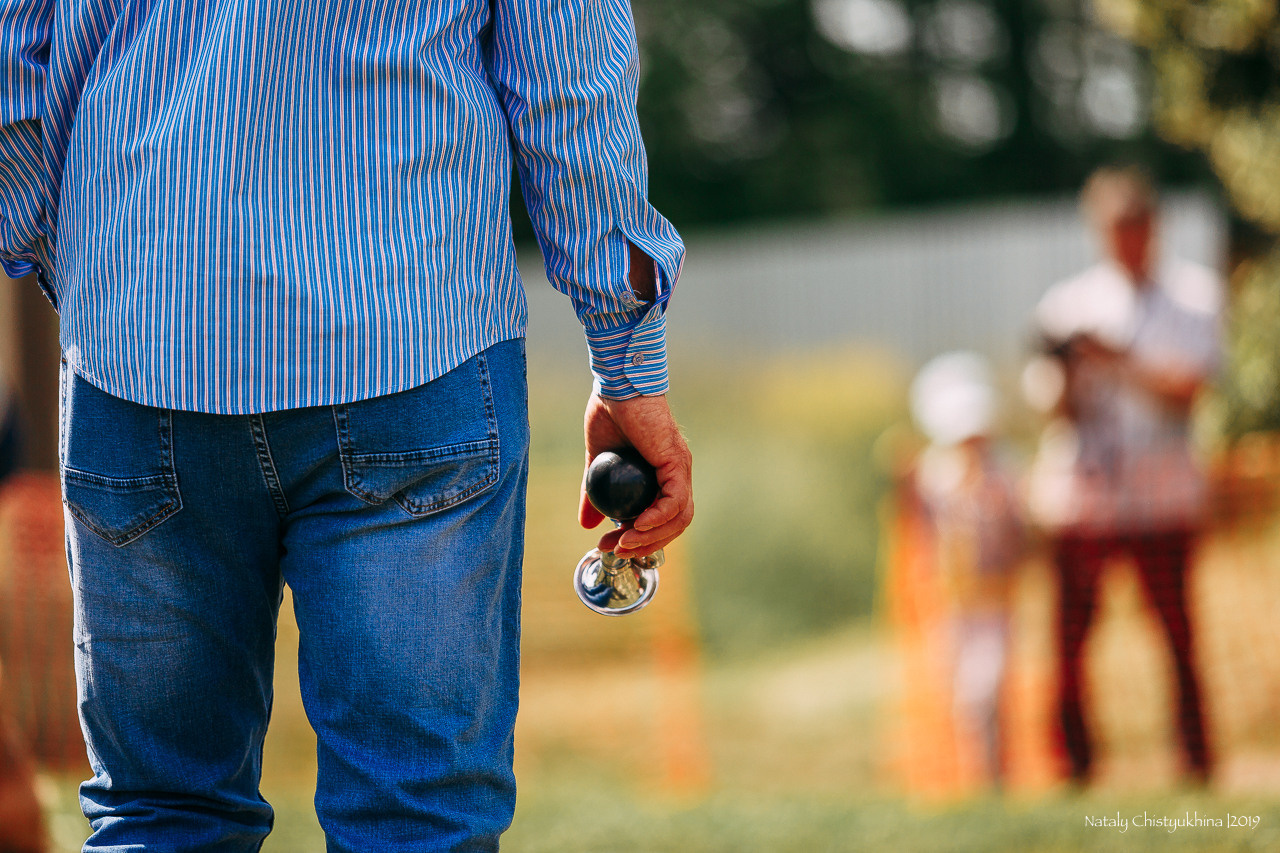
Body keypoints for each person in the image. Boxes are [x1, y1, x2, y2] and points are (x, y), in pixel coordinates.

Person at [0, 1, 694, 849]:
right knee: (417, 815)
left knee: (161, 813)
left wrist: (96, 271)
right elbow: (569, 84)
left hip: (137, 347)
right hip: (412, 345)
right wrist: (626, 360)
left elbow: (11, 65)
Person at [1025, 165, 1219, 785]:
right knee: (1071, 637)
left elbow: (1189, 391)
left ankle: (1195, 760)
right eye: (1116, 229)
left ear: (1154, 226)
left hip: (1161, 489)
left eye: (1136, 226)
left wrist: (1120, 360)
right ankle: (1073, 764)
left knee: (1177, 633)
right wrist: (1070, 371)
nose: (1127, 240)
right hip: (1088, 492)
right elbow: (1050, 407)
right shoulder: (1070, 303)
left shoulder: (1194, 295)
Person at [909, 352, 1025, 788]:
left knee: (986, 686)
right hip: (951, 598)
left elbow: (1019, 536)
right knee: (958, 690)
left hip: (995, 598)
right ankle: (974, 774)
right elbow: (923, 534)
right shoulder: (933, 474)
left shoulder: (1005, 471)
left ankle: (993, 775)